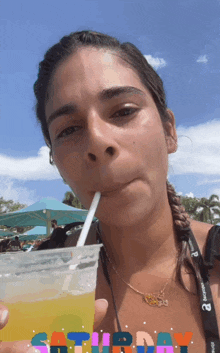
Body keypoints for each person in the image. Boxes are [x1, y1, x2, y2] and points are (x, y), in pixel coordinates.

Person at [0, 30, 219, 353]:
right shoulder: (34, 284)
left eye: (123, 110)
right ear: (56, 163)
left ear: (169, 131)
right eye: (70, 129)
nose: (98, 142)